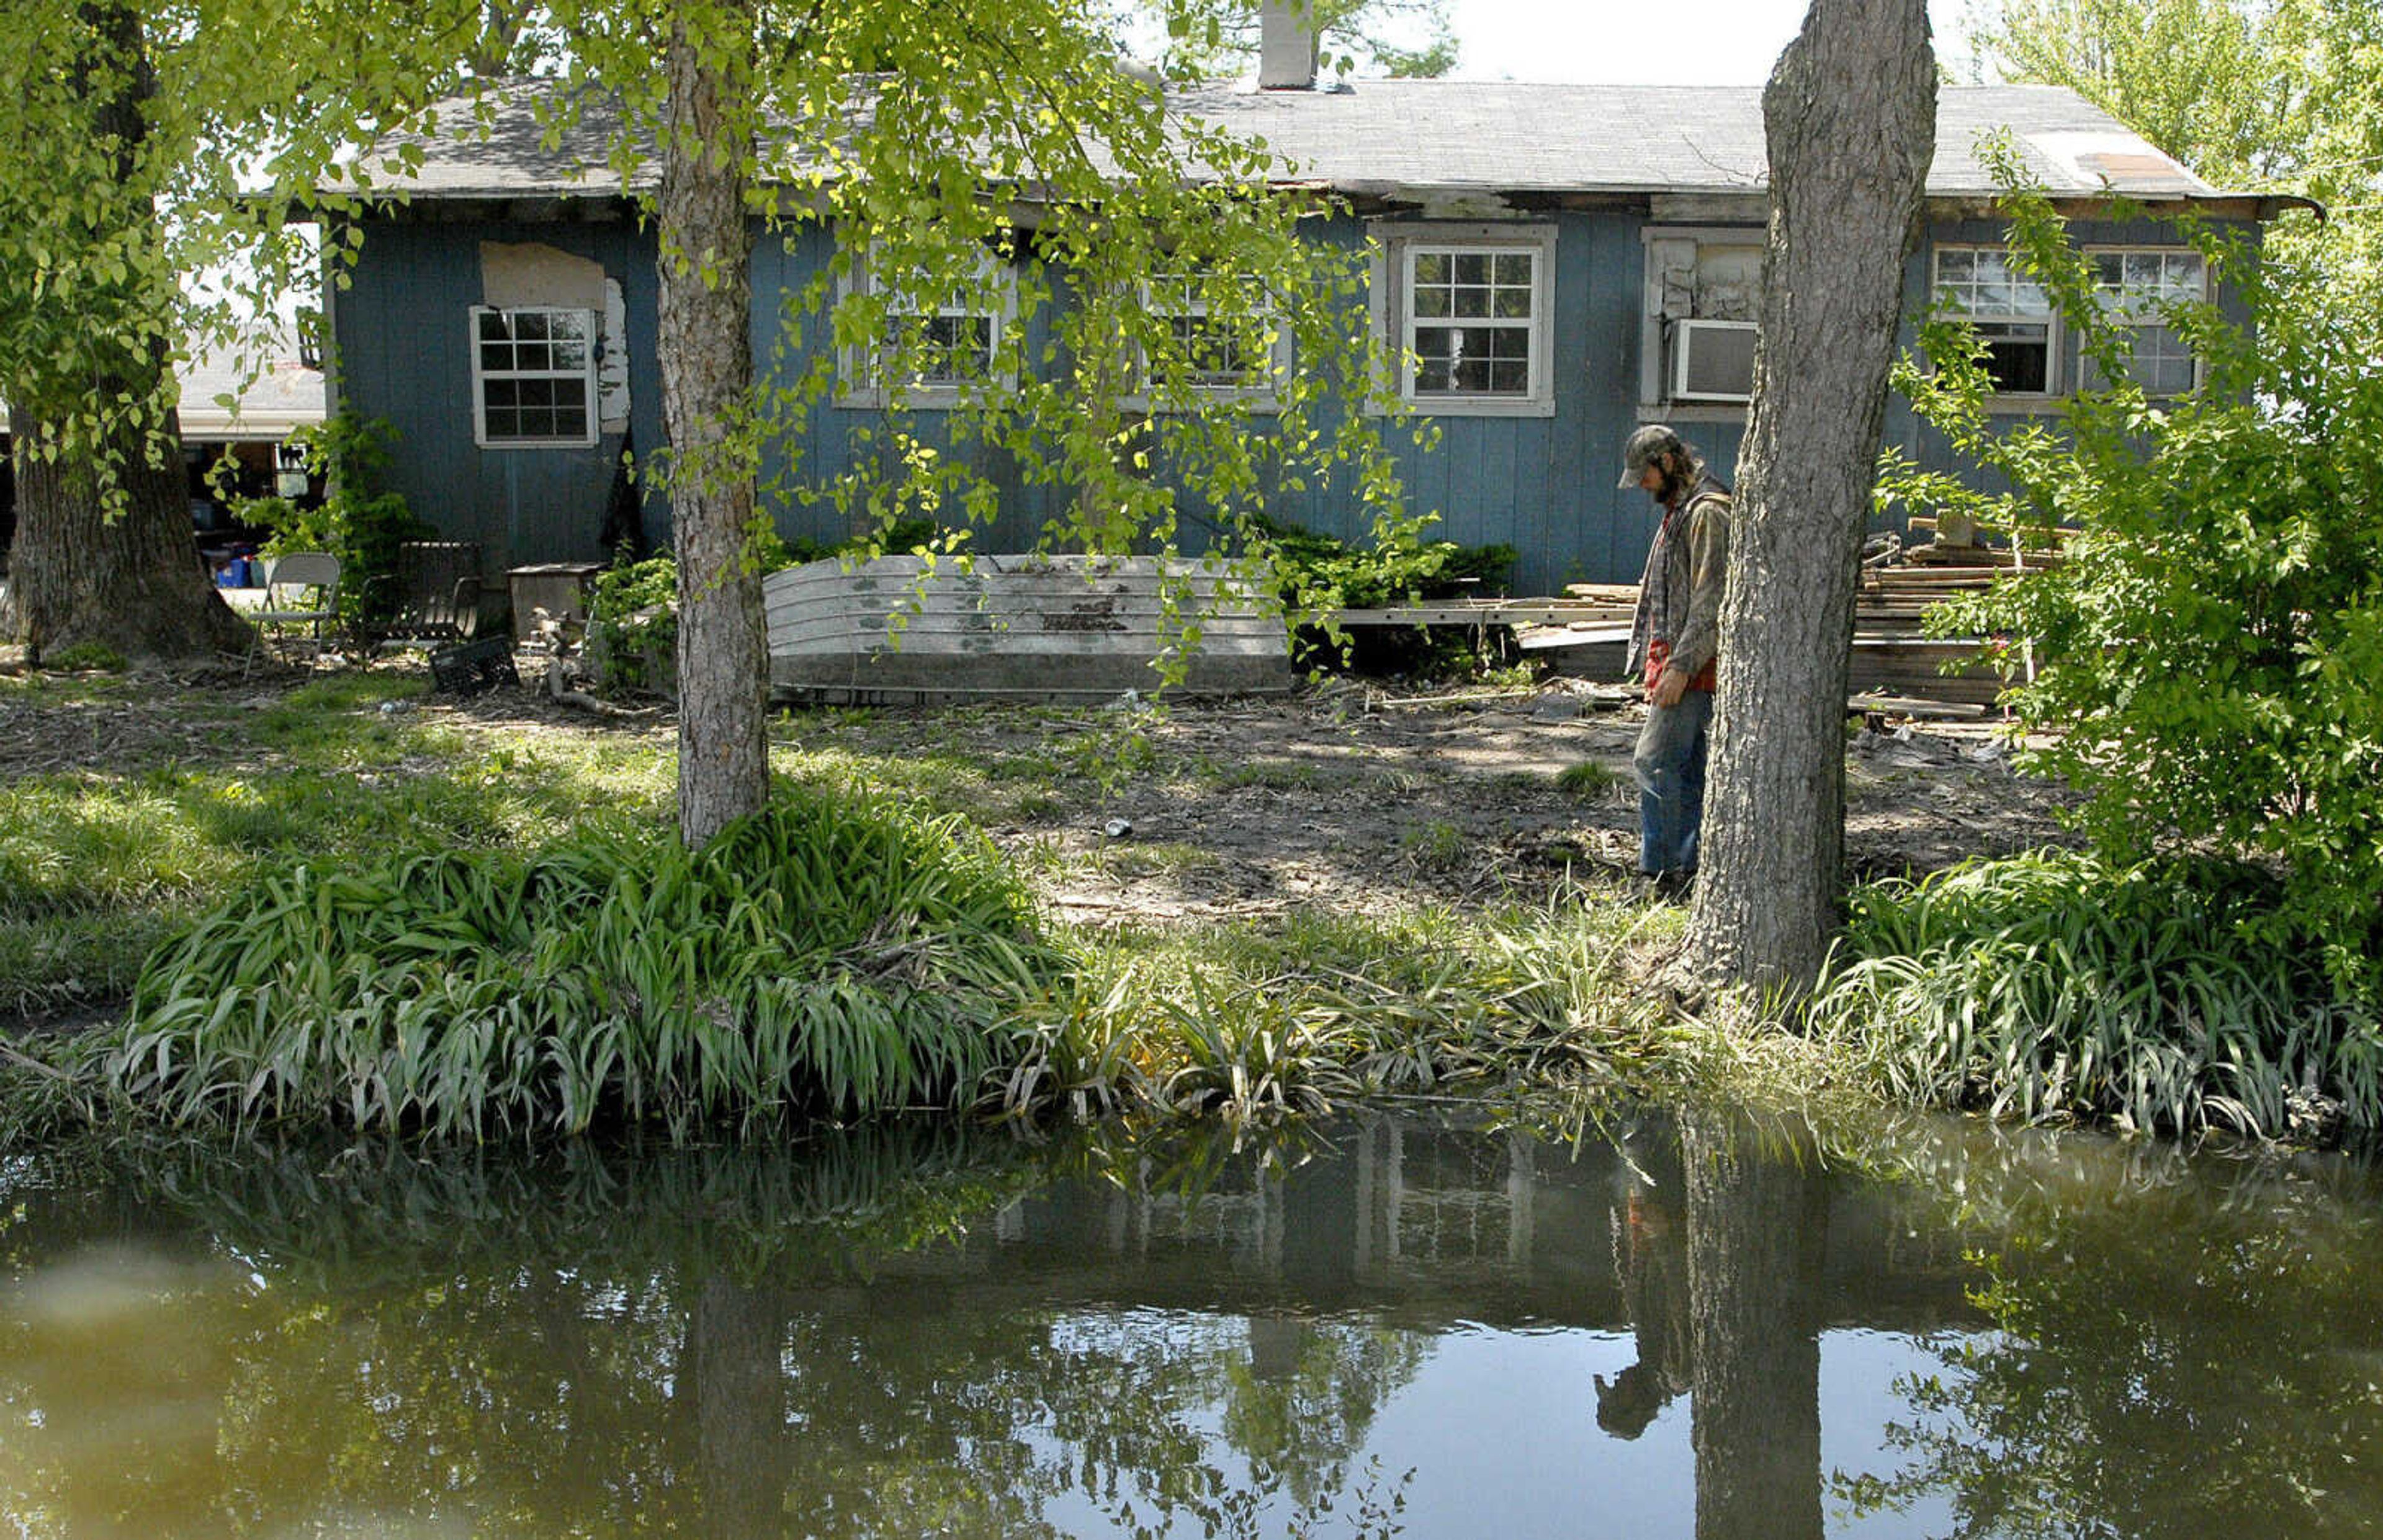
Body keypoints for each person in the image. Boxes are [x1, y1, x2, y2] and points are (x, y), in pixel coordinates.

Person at [1620, 424, 1731, 893]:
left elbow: (1712, 598)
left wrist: (1680, 669)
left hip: (1695, 664)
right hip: (1683, 660)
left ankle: (1660, 873)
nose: (1641, 485)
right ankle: (1689, 867)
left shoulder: (1708, 512)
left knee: (1654, 760)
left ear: (1666, 462)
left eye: (1643, 474)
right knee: (1685, 766)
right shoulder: (1682, 510)